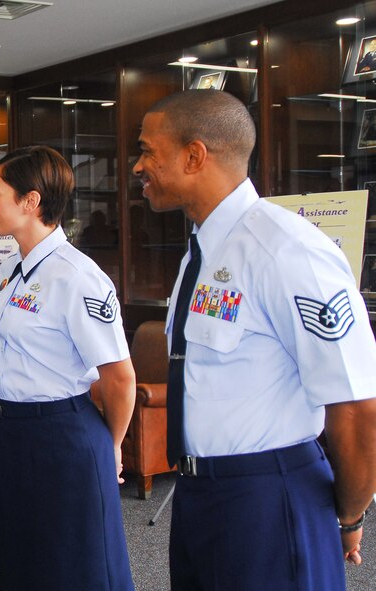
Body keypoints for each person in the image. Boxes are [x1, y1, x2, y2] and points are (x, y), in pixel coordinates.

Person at [133, 89, 376, 590]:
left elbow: (355, 405)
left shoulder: (286, 250)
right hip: (200, 495)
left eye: (147, 151)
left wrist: (349, 515)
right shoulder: (200, 253)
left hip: (269, 497)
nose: (138, 166)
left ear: (194, 155)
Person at [0, 145, 136, 591]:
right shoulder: (12, 268)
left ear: (30, 202)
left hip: (65, 435)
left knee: (78, 563)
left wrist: (113, 445)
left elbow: (119, 377)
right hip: (11, 432)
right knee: (22, 556)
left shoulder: (78, 276)